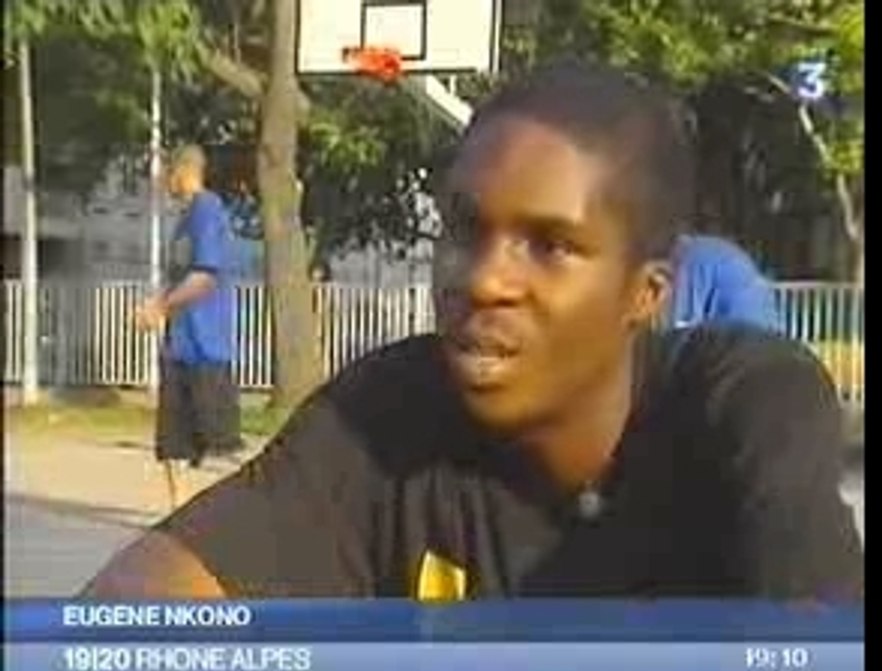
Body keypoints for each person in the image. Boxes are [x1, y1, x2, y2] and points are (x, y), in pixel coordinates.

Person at [87, 61, 862, 600]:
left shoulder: (738, 403)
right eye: (464, 229)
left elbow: (820, 658)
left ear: (645, 293)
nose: (484, 279)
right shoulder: (383, 418)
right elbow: (129, 614)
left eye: (551, 245)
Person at [135, 145, 242, 511]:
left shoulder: (208, 211)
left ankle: (239, 512)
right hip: (177, 345)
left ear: (183, 171)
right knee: (172, 442)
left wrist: (161, 307)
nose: (164, 182)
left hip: (207, 346)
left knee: (220, 441)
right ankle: (178, 510)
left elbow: (205, 278)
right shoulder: (183, 221)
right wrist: (156, 309)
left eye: (166, 174)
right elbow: (182, 278)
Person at [669, 234, 781, 332]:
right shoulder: (716, 247)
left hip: (737, 329)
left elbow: (686, 316)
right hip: (768, 324)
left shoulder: (691, 256)